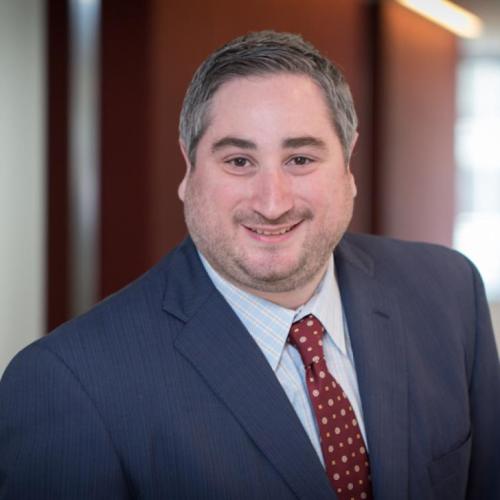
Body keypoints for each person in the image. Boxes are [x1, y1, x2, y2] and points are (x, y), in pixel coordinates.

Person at [1, 31, 499, 500]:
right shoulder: (68, 382)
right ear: (188, 168)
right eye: (239, 161)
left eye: (300, 159)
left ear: (348, 165)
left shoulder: (448, 292)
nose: (272, 203)